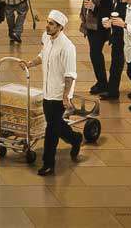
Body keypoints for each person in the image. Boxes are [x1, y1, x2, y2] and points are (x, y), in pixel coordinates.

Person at [21, 10, 81, 176]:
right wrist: (30, 63)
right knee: (56, 125)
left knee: (51, 130)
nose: (47, 26)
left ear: (60, 27)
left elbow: (70, 75)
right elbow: (42, 55)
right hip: (47, 91)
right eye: (47, 22)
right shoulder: (46, 37)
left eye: (51, 24)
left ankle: (49, 164)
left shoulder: (68, 47)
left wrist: (66, 97)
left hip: (59, 94)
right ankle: (75, 139)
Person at [79, 0, 113, 95]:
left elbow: (106, 10)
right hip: (89, 27)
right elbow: (84, 6)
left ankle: (102, 82)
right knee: (94, 55)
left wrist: (94, 7)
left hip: (98, 29)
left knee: (96, 54)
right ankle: (101, 82)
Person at [100, 0, 127, 101]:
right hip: (116, 37)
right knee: (117, 65)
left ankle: (113, 92)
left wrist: (110, 23)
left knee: (117, 65)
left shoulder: (121, 1)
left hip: (120, 39)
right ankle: (112, 90)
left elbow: (121, 19)